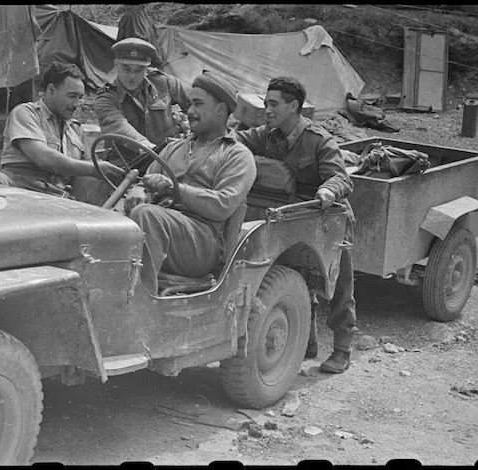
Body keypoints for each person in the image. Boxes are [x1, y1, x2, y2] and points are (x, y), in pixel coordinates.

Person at [235, 76, 357, 374]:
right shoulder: (268, 135)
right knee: (297, 277)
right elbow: (236, 140)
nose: (267, 110)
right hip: (289, 218)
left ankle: (343, 349)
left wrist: (327, 190)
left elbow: (342, 178)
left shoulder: (319, 140)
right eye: (265, 103)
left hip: (326, 217)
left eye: (273, 104)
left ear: (294, 106)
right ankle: (307, 344)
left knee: (338, 283)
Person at [125, 71, 256, 294]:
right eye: (189, 104)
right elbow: (144, 181)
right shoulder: (174, 147)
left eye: (198, 104)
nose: (190, 111)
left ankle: (138, 301)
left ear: (221, 109)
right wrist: (138, 190)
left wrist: (174, 189)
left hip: (201, 242)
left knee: (146, 215)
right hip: (160, 226)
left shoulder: (237, 155)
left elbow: (223, 205)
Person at [0, 61, 124, 197]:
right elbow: (43, 158)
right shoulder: (26, 113)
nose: (77, 104)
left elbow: (90, 167)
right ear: (51, 90)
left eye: (80, 97)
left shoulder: (75, 129)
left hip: (58, 198)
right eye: (72, 96)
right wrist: (95, 168)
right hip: (20, 192)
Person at [93, 37, 190, 177]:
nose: (132, 76)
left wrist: (190, 124)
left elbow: (195, 100)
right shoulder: (107, 97)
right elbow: (117, 125)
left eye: (139, 70)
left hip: (167, 160)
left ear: (147, 68)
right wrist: (143, 144)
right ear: (116, 64)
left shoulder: (164, 83)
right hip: (126, 163)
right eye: (126, 68)